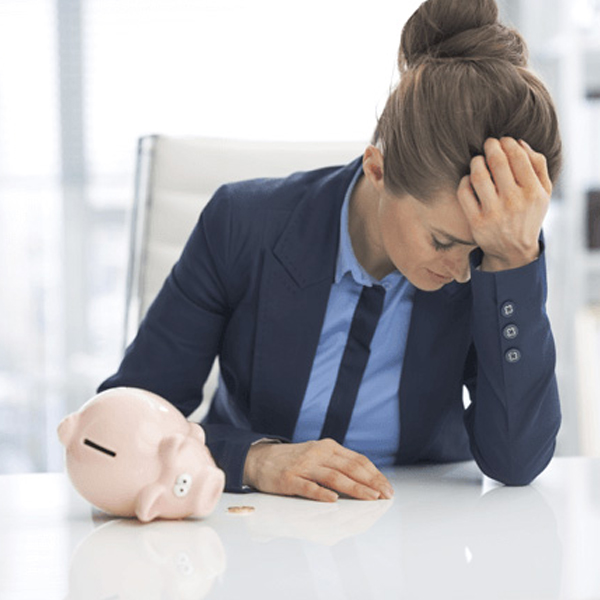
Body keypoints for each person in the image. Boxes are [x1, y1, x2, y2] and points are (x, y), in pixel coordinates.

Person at [98, 0, 563, 502]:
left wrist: (513, 263)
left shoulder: (496, 257)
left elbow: (516, 463)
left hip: (425, 526)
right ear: (378, 169)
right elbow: (121, 427)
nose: (462, 272)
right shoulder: (241, 224)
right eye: (443, 241)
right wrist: (253, 459)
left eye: (477, 252)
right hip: (254, 526)